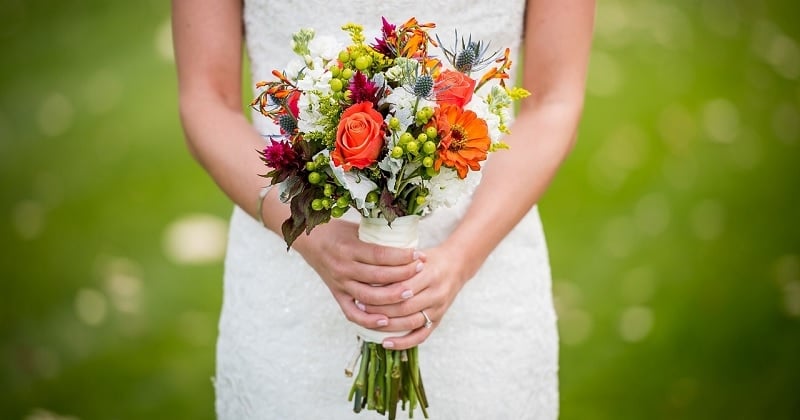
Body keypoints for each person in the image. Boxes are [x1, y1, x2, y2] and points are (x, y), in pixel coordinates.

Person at [172, 0, 594, 418]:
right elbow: (207, 98)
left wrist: (462, 258)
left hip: (485, 277)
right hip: (287, 283)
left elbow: (553, 101)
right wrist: (309, 232)